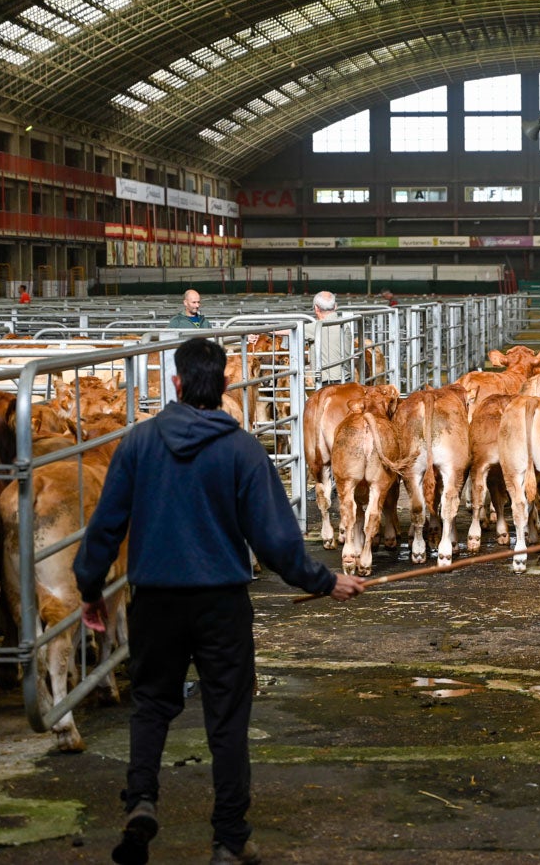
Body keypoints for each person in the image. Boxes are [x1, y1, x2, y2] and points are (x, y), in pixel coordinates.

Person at [74, 338, 365, 865]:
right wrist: (323, 580)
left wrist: (90, 588)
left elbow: (106, 525)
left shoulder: (139, 444)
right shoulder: (243, 451)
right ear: (226, 387)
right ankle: (229, 839)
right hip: (221, 604)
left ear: (178, 385)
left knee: (152, 706)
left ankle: (141, 800)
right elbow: (275, 541)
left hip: (155, 599)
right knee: (227, 721)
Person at [311, 290, 347, 385]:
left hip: (326, 382)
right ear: (335, 306)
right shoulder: (345, 324)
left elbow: (289, 330)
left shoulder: (316, 327)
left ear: (316, 308)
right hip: (346, 378)